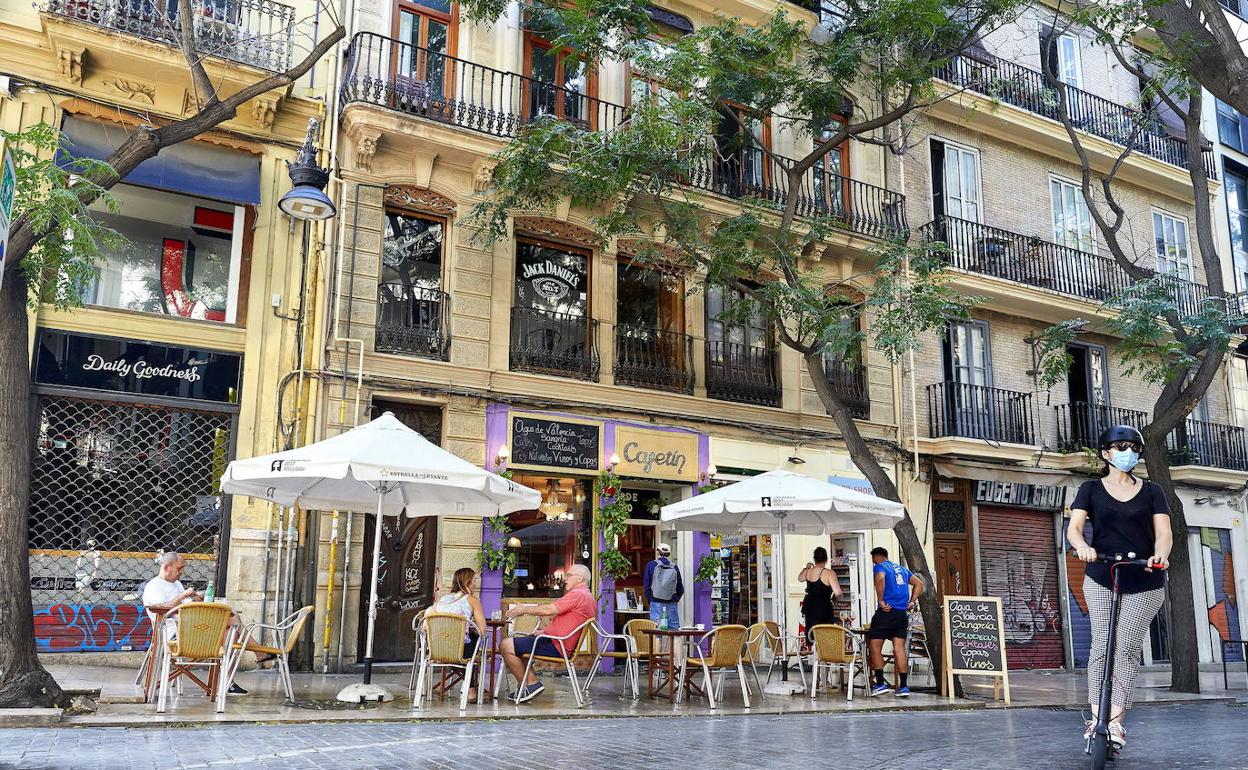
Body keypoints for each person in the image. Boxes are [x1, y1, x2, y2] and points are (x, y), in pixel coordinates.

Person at [1067, 425, 1171, 751]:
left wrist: (1160, 555)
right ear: (1105, 453)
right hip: (1101, 576)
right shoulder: (1090, 489)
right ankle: (1096, 718)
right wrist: (1082, 546)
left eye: (1133, 448)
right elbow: (1074, 529)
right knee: (1101, 647)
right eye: (1120, 446)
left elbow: (1164, 533)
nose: (1127, 453)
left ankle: (1115, 723)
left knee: (1125, 648)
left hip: (1144, 579)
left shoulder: (1153, 491)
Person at [141, 552, 261, 695]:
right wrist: (183, 596)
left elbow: (185, 607)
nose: (182, 572)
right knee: (232, 620)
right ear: (167, 567)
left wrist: (196, 599)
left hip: (193, 629)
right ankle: (258, 651)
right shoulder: (154, 586)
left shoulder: (177, 584)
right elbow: (159, 612)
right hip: (173, 635)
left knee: (230, 633)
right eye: (179, 568)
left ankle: (228, 682)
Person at [499, 563, 596, 703]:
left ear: (579, 578)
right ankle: (529, 685)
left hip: (557, 645)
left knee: (506, 645)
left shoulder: (577, 594)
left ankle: (531, 685)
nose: (565, 579)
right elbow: (571, 623)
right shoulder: (588, 596)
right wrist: (545, 631)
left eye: (569, 575)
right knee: (521, 644)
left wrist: (524, 609)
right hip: (560, 642)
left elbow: (548, 610)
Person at [867, 546, 923, 697]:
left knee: (875, 646)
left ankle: (880, 683)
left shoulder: (880, 566)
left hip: (886, 612)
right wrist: (912, 601)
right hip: (901, 614)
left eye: (873, 560)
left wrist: (880, 599)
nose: (873, 563)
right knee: (899, 649)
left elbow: (880, 578)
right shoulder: (902, 569)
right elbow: (919, 584)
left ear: (878, 557)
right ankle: (903, 687)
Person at [430, 567, 489, 701]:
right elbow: (483, 630)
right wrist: (470, 627)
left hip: (437, 648)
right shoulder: (472, 600)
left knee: (465, 640)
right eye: (474, 580)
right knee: (474, 640)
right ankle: (471, 690)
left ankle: (443, 685)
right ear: (468, 582)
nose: (476, 583)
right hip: (458, 650)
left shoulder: (443, 599)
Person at [798, 547, 843, 642]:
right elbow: (838, 593)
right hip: (824, 607)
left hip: (810, 607)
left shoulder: (808, 571)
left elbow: (800, 578)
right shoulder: (829, 573)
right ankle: (824, 655)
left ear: (814, 559)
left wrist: (807, 567)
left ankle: (814, 655)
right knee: (826, 637)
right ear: (826, 559)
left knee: (812, 635)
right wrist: (835, 598)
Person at [643, 543, 684, 627]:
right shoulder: (674, 567)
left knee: (657, 631)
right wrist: (674, 599)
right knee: (674, 630)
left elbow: (646, 587)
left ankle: (658, 641)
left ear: (658, 552)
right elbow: (680, 588)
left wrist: (651, 600)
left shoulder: (651, 565)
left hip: (656, 602)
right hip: (672, 603)